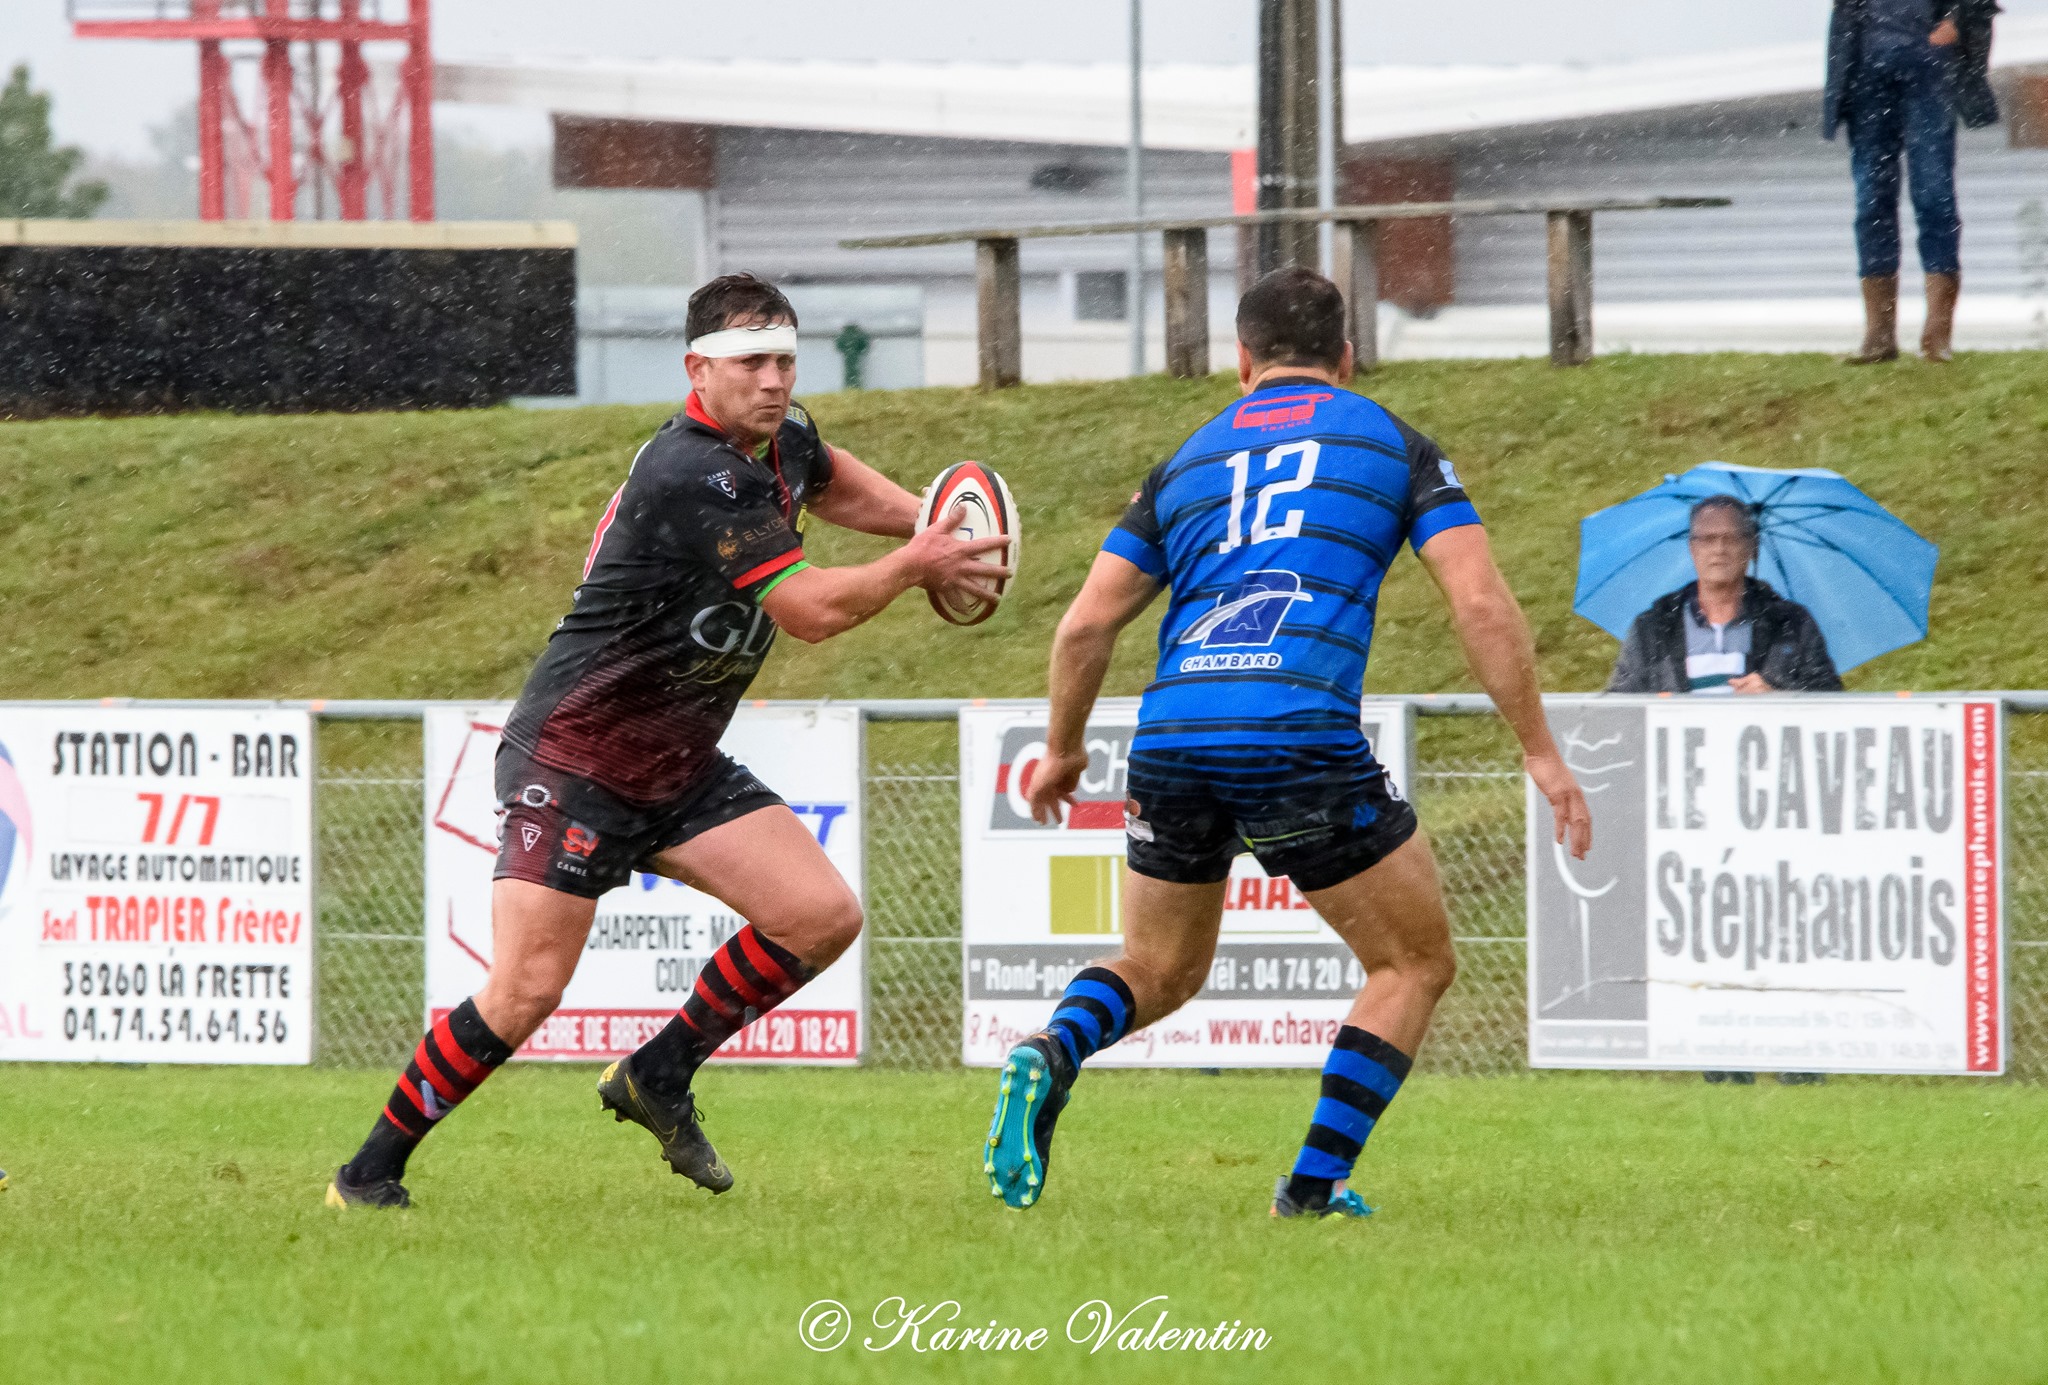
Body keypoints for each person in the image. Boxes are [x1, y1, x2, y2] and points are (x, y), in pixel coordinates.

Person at [327, 273, 1009, 1209]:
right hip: (577, 758)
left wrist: (934, 518)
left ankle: (658, 1071)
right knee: (526, 989)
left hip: (678, 762)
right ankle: (367, 1174)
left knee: (820, 917)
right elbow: (808, 612)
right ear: (697, 369)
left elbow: (832, 476)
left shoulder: (781, 441)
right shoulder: (694, 470)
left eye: (783, 361)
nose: (773, 381)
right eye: (750, 364)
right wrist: (916, 562)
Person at [980, 267, 1593, 1220]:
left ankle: (1051, 1049)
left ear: (1241, 360)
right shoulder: (1389, 442)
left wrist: (1060, 751)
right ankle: (1313, 1186)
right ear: (1348, 357)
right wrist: (1539, 749)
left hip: (1176, 733)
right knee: (1412, 964)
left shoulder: (1186, 461)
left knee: (1158, 969)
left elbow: (1084, 627)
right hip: (1294, 729)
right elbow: (1477, 598)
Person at [1823, 0, 2002, 364]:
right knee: (1872, 200)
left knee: (1934, 196)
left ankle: (1937, 337)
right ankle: (1878, 337)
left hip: (1929, 70)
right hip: (1867, 73)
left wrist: (1956, 21)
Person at [1606, 496, 1843, 696]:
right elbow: (1618, 710)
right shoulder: (1654, 627)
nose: (1719, 549)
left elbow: (1831, 703)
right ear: (1692, 547)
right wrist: (1650, 708)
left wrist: (1778, 699)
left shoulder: (1790, 623)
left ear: (1752, 547)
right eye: (1708, 539)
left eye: (1731, 538)